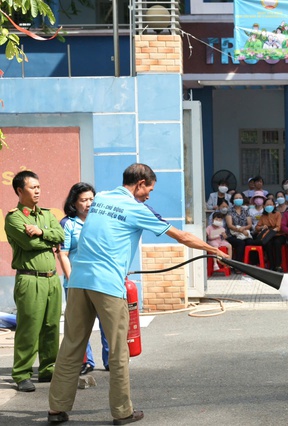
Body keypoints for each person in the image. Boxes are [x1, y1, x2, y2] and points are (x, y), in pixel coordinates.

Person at [47, 163, 228, 424]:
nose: (149, 196)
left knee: (72, 344)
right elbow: (181, 236)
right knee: (120, 350)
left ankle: (56, 409)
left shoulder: (102, 198)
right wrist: (215, 251)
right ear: (140, 183)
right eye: (149, 189)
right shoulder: (136, 208)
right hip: (107, 285)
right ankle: (122, 412)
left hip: (77, 281)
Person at [4, 170, 65, 393]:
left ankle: (49, 369)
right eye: (32, 187)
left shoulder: (47, 215)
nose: (37, 190)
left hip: (51, 278)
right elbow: (29, 245)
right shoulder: (14, 217)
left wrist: (40, 232)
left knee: (51, 326)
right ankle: (21, 373)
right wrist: (49, 241)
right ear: (20, 190)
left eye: (39, 186)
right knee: (29, 328)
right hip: (30, 280)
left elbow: (61, 235)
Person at [58, 182, 109, 376]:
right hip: (77, 282)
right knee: (80, 325)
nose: (88, 204)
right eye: (83, 200)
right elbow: (63, 254)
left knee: (106, 321)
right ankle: (86, 361)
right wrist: (72, 282)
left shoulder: (101, 220)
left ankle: (110, 358)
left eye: (91, 199)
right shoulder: (68, 223)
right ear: (74, 202)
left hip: (101, 280)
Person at [255, 198, 285, 272]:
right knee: (268, 244)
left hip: (279, 235)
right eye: (267, 205)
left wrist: (271, 231)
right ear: (264, 206)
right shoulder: (263, 216)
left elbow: (278, 227)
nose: (269, 206)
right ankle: (271, 265)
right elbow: (257, 227)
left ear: (274, 205)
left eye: (270, 205)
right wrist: (262, 227)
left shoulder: (278, 214)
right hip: (268, 236)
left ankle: (278, 265)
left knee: (277, 243)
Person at [226, 192, 255, 263]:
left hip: (244, 234)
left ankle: (250, 263)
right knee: (240, 243)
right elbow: (230, 225)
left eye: (240, 198)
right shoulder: (230, 211)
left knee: (250, 242)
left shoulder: (245, 211)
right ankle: (238, 264)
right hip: (232, 235)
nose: (238, 199)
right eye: (236, 198)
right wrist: (241, 230)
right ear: (233, 200)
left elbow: (249, 224)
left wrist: (244, 228)